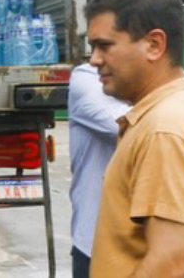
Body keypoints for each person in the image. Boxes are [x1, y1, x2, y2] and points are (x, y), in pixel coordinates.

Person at [86, 0, 184, 277]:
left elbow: (170, 264)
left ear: (154, 45)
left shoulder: (165, 128)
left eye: (104, 46)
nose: (94, 60)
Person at [67, 63, 129, 278]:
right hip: (96, 246)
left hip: (158, 246)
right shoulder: (87, 77)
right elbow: (126, 126)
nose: (95, 58)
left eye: (106, 45)